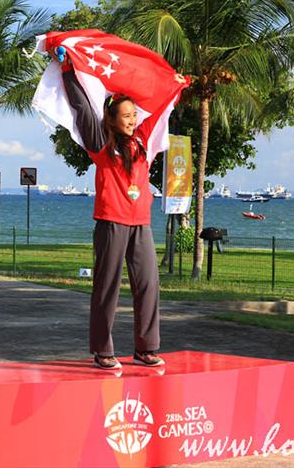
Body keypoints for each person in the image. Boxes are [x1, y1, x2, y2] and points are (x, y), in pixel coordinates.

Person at [54, 48, 185, 370]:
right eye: (125, 116)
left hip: (141, 223)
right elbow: (82, 109)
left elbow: (160, 110)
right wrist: (69, 70)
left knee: (148, 284)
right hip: (111, 221)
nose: (131, 120)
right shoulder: (101, 143)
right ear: (111, 119)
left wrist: (178, 87)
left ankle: (146, 348)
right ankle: (103, 350)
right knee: (107, 287)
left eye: (133, 116)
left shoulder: (143, 143)